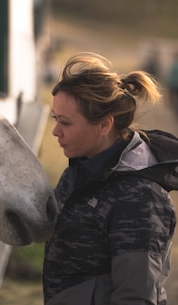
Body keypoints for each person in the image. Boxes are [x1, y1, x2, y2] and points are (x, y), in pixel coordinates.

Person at [43, 52, 178, 305]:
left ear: (105, 125)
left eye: (65, 122)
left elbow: (136, 298)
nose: (55, 131)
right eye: (55, 119)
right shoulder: (81, 169)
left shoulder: (140, 200)